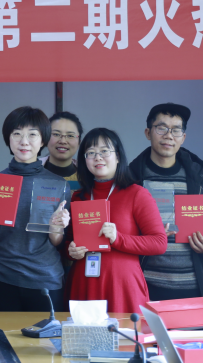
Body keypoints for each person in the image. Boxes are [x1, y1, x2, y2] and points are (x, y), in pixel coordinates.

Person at [0, 106, 72, 311]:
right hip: (4, 278)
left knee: (46, 333)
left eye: (32, 134)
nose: (24, 141)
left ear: (43, 140)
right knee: (5, 332)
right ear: (8, 139)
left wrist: (57, 228)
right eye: (17, 133)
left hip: (45, 279)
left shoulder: (58, 185)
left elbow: (57, 242)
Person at [128, 103, 203, 303]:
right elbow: (122, 231)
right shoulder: (131, 179)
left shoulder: (202, 178)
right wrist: (148, 240)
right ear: (148, 133)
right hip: (146, 286)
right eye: (161, 128)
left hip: (194, 287)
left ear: (183, 137)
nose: (169, 135)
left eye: (176, 130)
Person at [65, 128, 166, 314]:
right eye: (91, 153)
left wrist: (118, 238)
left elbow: (159, 243)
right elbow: (67, 243)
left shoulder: (137, 194)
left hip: (122, 286)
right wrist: (71, 251)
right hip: (84, 282)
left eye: (104, 151)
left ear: (118, 156)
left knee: (125, 333)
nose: (98, 157)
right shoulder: (78, 197)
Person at [42, 111, 84, 185]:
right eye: (56, 134)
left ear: (79, 142)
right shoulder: (30, 173)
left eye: (70, 136)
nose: (63, 141)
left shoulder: (87, 178)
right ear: (46, 138)